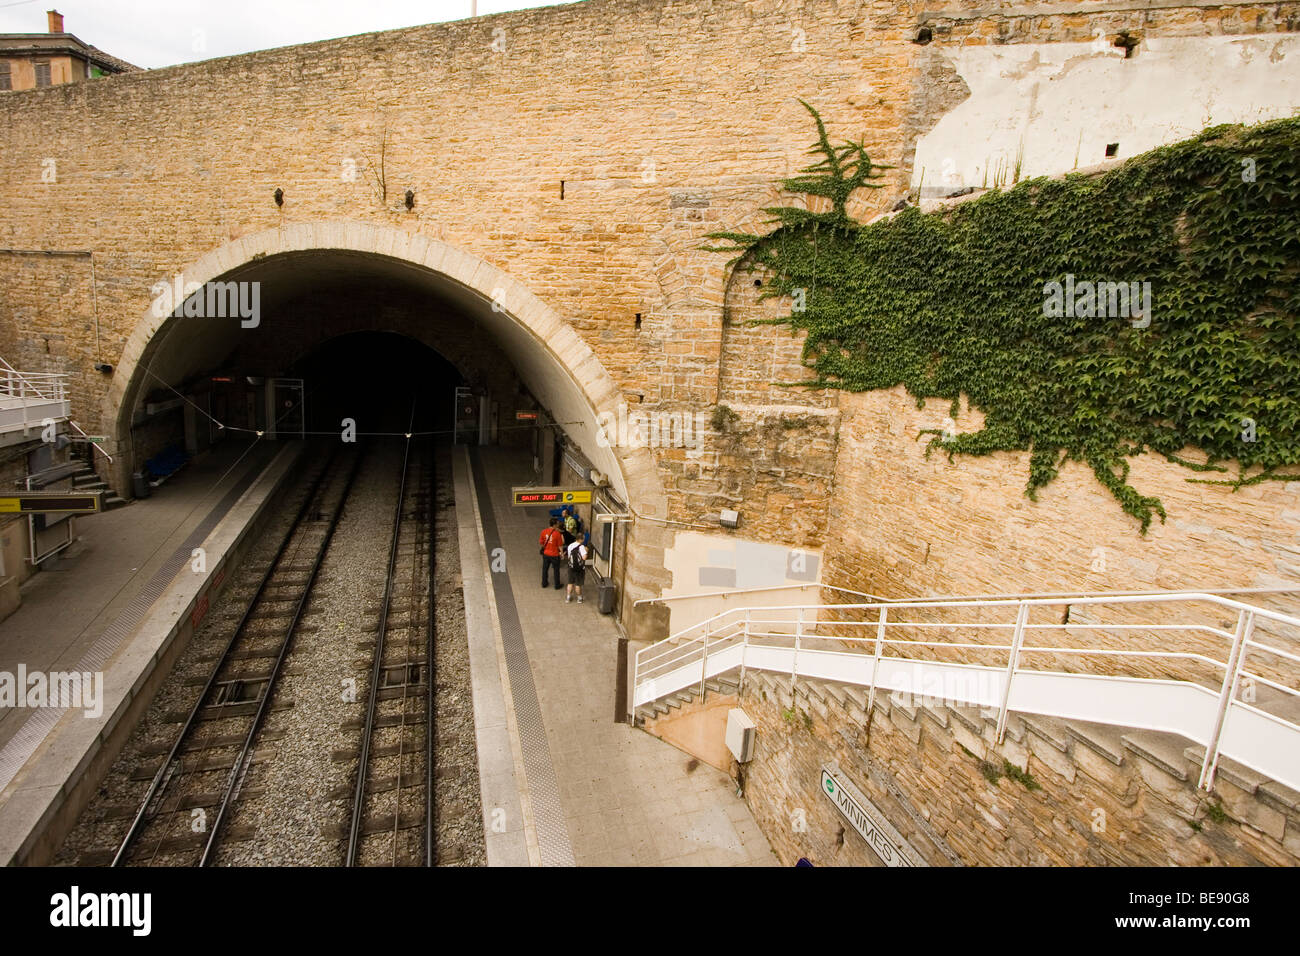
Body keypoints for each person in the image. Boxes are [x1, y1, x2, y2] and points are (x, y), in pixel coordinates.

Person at [539, 518, 565, 590]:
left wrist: (546, 547)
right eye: (557, 523)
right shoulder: (557, 534)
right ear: (554, 525)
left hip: (546, 554)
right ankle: (557, 585)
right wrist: (562, 554)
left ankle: (544, 583)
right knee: (556, 570)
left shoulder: (544, 531)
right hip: (554, 555)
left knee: (545, 569)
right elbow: (560, 545)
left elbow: (541, 542)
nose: (558, 525)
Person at [565, 535, 589, 603]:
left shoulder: (570, 546)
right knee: (578, 584)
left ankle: (568, 597)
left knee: (570, 583)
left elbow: (569, 557)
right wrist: (586, 551)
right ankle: (579, 598)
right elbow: (584, 558)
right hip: (579, 568)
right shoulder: (582, 547)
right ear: (581, 539)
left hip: (571, 567)